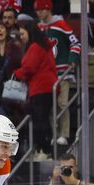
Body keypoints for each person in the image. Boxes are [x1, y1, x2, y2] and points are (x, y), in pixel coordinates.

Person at [36, 0, 80, 146]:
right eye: (37, 10)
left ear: (49, 9)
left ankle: (64, 134)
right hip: (46, 74)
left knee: (62, 103)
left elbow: (75, 43)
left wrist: (72, 59)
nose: (39, 13)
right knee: (50, 106)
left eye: (42, 10)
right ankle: (54, 135)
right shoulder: (39, 27)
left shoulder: (61, 25)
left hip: (62, 72)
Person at [14, 20, 57, 160]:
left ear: (29, 32)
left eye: (22, 33)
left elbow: (29, 68)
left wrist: (17, 73)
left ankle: (44, 150)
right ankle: (44, 149)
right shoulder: (43, 46)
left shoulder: (35, 47)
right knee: (43, 119)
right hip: (47, 87)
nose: (21, 37)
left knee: (39, 120)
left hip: (40, 88)